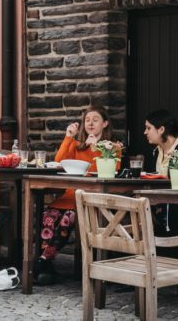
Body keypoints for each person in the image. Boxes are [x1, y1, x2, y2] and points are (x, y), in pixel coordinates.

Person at [34, 105, 115, 285]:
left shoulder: (112, 148)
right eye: (87, 120)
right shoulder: (78, 146)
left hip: (90, 198)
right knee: (48, 217)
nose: (90, 124)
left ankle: (42, 262)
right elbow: (58, 162)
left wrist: (97, 149)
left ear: (105, 124)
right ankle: (46, 262)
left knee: (66, 219)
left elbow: (108, 172)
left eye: (95, 120)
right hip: (69, 197)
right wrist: (68, 137)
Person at [144, 108, 178, 234]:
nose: (145, 132)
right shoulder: (155, 152)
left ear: (161, 129)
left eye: (148, 128)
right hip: (160, 202)